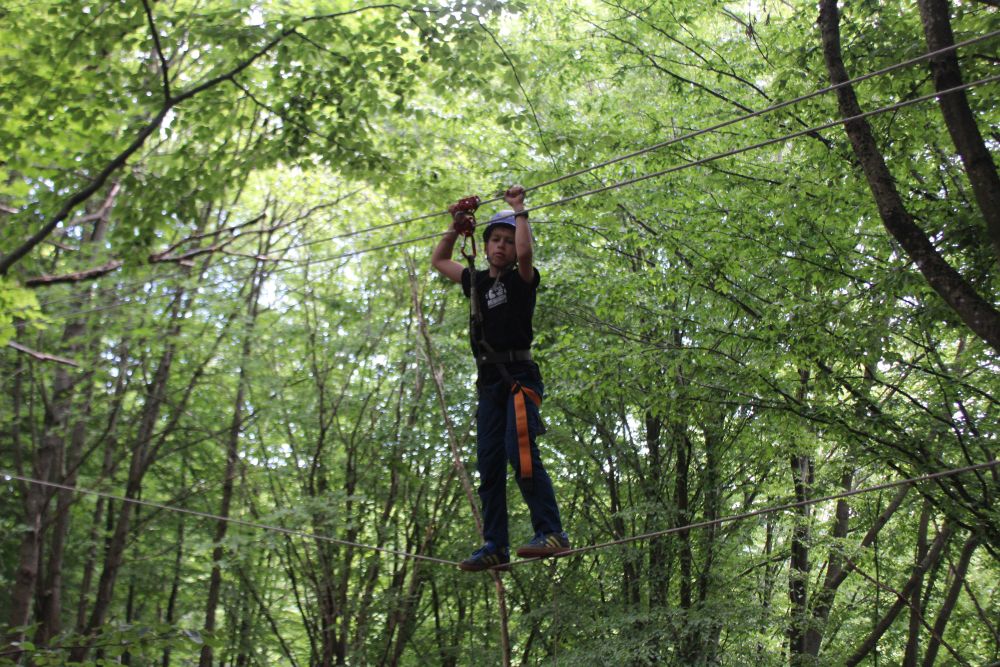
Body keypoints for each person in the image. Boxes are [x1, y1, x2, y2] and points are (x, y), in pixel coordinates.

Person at [431, 185, 570, 572]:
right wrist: (456, 225)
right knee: (489, 464)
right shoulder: (475, 282)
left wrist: (519, 209)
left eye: (508, 241)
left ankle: (551, 532)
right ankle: (495, 545)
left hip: (519, 379)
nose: (502, 246)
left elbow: (526, 254)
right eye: (496, 239)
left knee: (519, 451)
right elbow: (439, 260)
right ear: (486, 243)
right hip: (489, 386)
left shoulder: (521, 281)